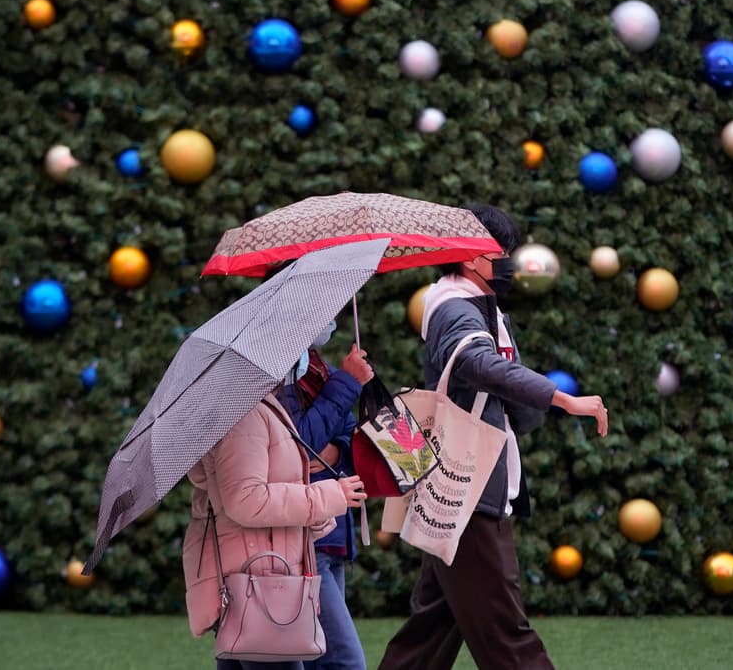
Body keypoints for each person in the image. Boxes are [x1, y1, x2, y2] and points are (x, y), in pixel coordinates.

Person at [378, 204, 610, 670]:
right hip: (468, 486)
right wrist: (562, 399)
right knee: (506, 632)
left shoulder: (470, 306)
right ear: (470, 256)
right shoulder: (456, 309)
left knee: (432, 629)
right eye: (500, 251)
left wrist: (530, 409)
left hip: (461, 482)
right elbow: (475, 363)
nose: (508, 261)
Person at [182, 386, 369, 670]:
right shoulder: (245, 416)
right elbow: (245, 500)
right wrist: (325, 497)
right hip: (258, 582)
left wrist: (318, 514)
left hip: (257, 576)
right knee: (344, 662)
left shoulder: (254, 408)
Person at [277, 320, 373, 670]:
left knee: (320, 657)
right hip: (306, 539)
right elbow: (301, 442)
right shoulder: (282, 378)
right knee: (344, 661)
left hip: (331, 530)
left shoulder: (318, 370)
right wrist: (347, 382)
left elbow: (350, 434)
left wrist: (337, 449)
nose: (329, 322)